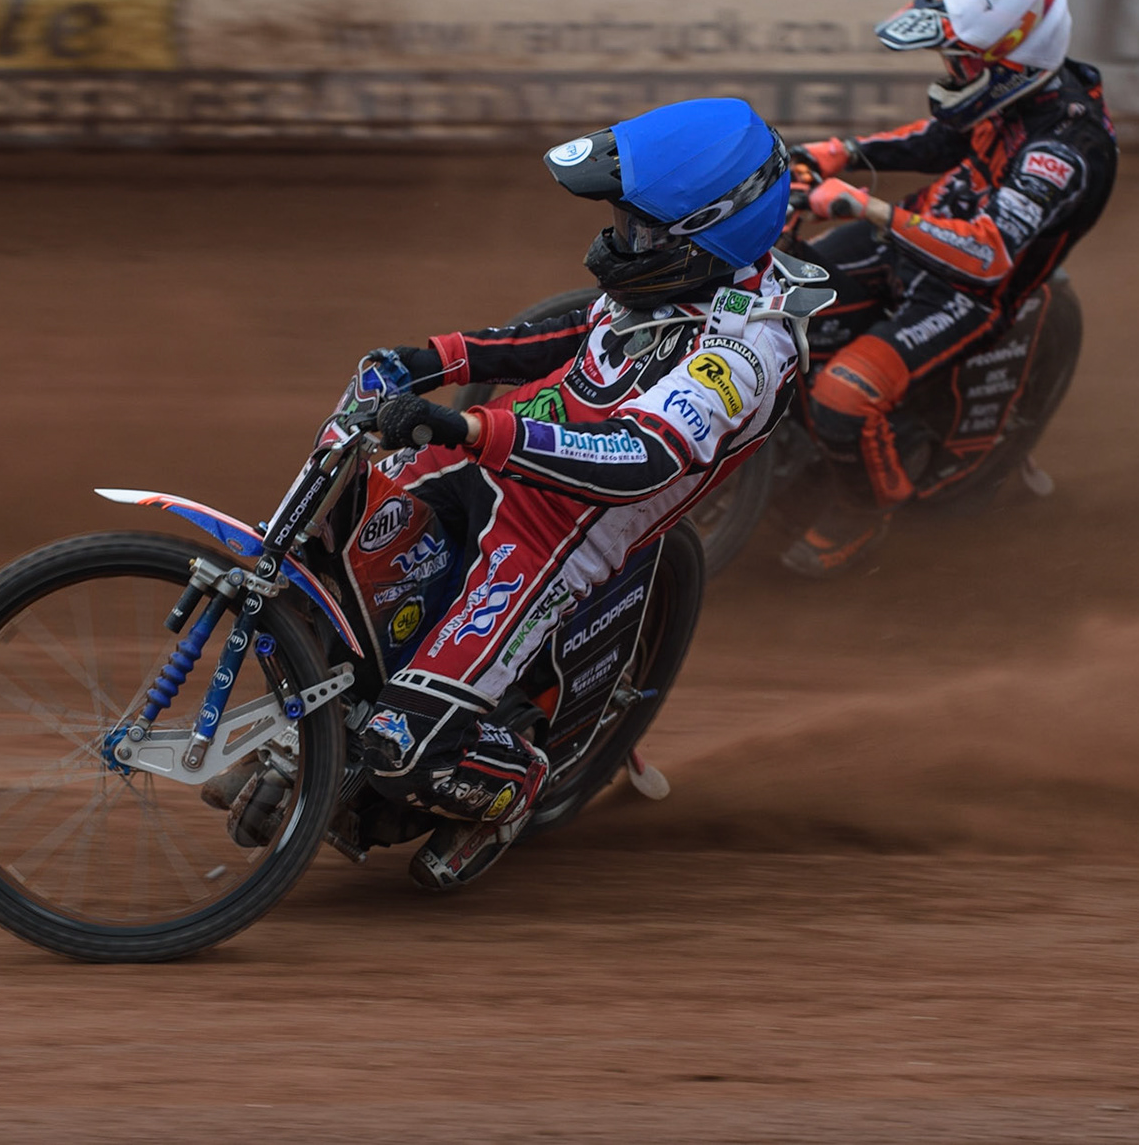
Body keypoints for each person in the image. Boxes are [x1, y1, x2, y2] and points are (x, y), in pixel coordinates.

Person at [340, 97, 797, 889]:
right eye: (622, 219)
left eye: (639, 228)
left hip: (551, 538)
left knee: (397, 749)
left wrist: (478, 432)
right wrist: (437, 359)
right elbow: (572, 332)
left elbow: (639, 460)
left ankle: (518, 786)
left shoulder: (745, 350)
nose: (620, 239)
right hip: (492, 460)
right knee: (340, 549)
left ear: (711, 231)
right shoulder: (665, 284)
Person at [778, 0, 1118, 577]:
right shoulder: (1023, 91)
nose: (948, 71)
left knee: (842, 400)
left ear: (1010, 62)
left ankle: (864, 511)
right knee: (778, 302)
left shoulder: (1065, 148)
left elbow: (988, 256)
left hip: (970, 292)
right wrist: (841, 151)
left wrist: (867, 209)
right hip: (916, 235)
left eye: (961, 63)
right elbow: (940, 140)